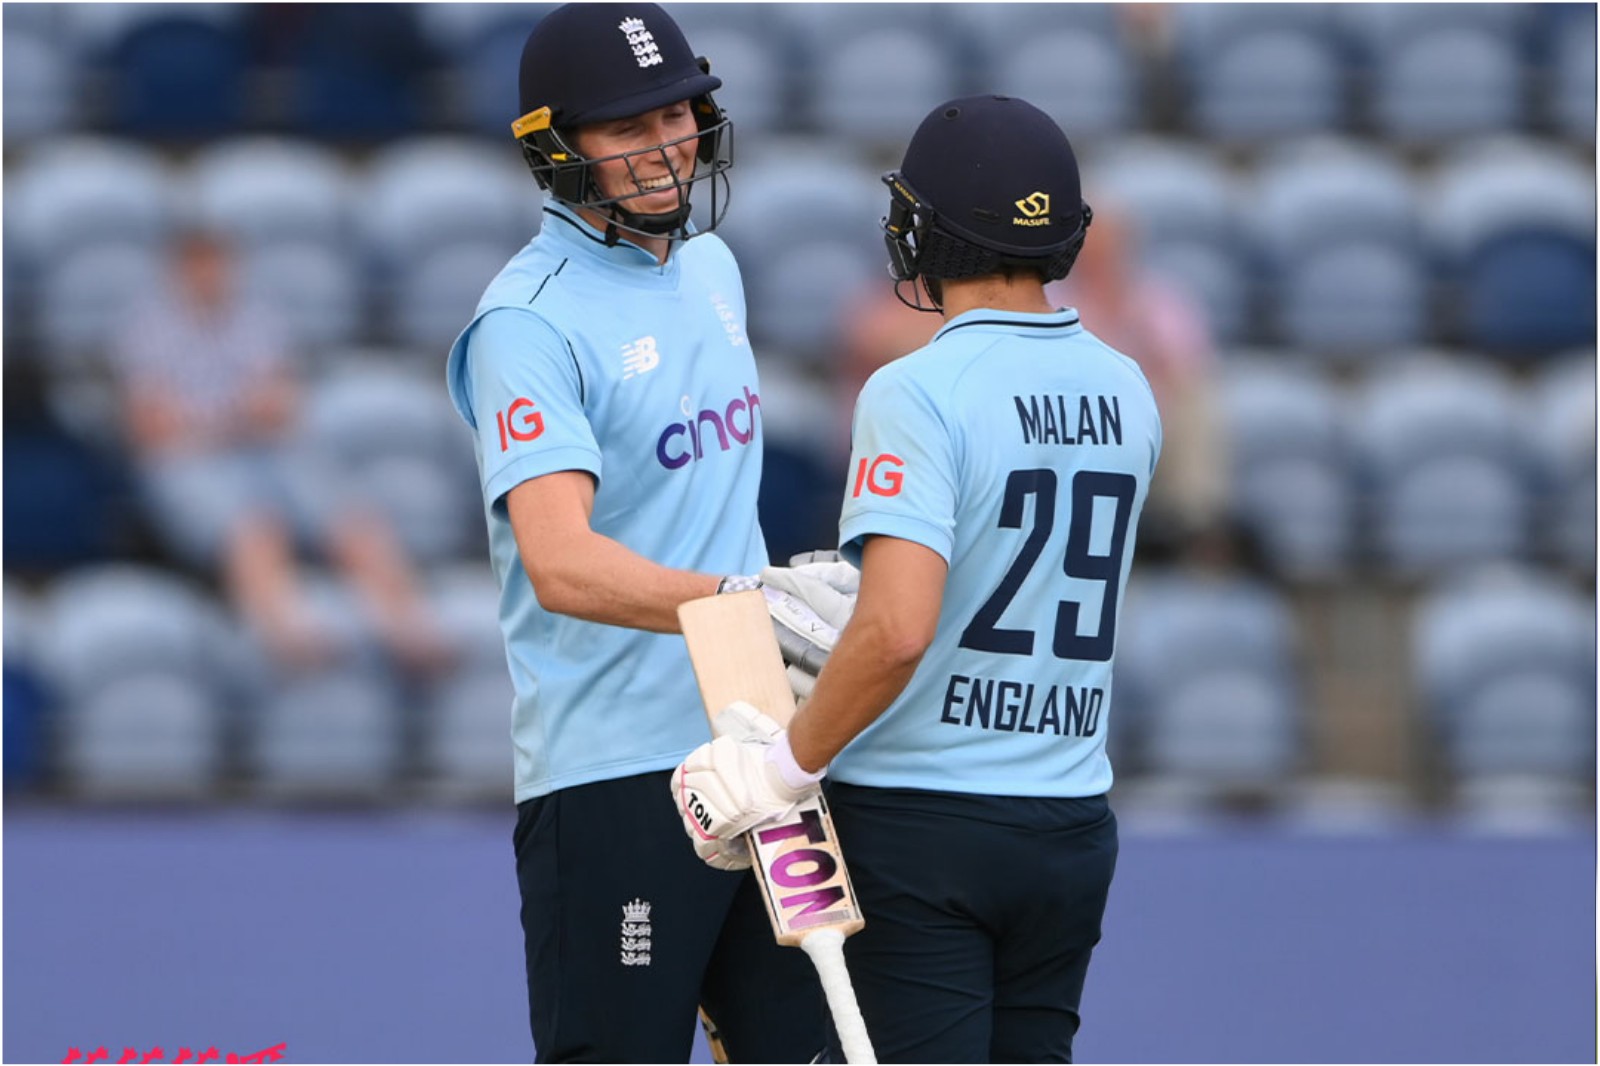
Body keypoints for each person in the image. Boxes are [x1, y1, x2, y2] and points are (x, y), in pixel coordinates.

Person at [672, 96, 1164, 1063]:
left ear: (932, 229)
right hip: (1070, 816)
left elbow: (897, 628)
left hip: (922, 818)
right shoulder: (1129, 386)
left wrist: (782, 768)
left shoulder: (915, 387)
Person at [443, 5, 832, 1061]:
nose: (666, 146)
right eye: (627, 127)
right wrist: (752, 606)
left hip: (767, 754)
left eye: (677, 115)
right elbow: (562, 566)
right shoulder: (525, 323)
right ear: (555, 148)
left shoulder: (712, 269)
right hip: (617, 774)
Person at [111, 228, 448, 675]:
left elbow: (281, 404)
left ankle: (410, 630)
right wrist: (233, 419)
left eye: (216, 266)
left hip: (267, 451)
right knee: (254, 529)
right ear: (177, 272)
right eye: (198, 267)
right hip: (191, 460)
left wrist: (219, 418)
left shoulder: (258, 319)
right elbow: (150, 424)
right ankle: (289, 633)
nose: (209, 277)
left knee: (352, 519)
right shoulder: (146, 330)